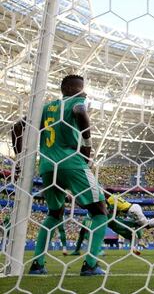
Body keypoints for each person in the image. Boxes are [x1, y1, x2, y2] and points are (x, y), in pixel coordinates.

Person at [12, 75, 108, 276]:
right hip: (71, 163)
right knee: (100, 210)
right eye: (82, 89)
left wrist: (18, 160)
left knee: (55, 213)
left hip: (47, 167)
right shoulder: (76, 101)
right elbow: (80, 111)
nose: (85, 92)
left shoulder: (46, 109)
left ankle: (37, 264)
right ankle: (90, 265)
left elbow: (17, 127)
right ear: (71, 88)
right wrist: (87, 146)